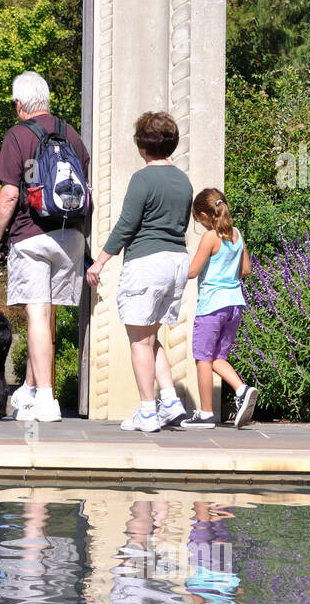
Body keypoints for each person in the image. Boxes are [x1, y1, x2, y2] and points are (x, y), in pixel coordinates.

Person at [0, 71, 90, 423]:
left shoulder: (17, 136)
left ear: (19, 105)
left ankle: (46, 399)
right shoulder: (70, 134)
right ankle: (30, 391)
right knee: (48, 316)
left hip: (31, 235)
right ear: (45, 99)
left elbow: (10, 194)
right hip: (71, 235)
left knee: (36, 313)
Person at [86, 111, 191, 432]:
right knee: (150, 335)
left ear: (141, 144)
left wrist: (100, 261)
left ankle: (148, 410)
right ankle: (170, 400)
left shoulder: (143, 179)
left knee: (138, 341)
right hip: (176, 263)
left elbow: (126, 226)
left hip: (147, 263)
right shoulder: (183, 180)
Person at [181, 188, 257, 429]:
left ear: (204, 214)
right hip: (234, 304)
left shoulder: (210, 237)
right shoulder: (236, 234)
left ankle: (205, 413)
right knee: (216, 357)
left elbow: (192, 272)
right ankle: (242, 389)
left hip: (212, 305)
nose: (199, 225)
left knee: (203, 358)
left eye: (198, 220)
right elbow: (246, 270)